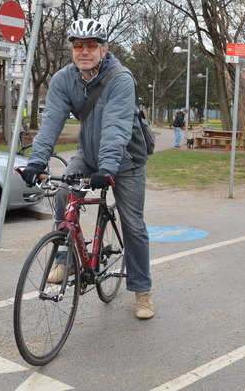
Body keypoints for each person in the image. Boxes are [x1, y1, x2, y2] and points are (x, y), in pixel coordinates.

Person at [20, 18, 154, 320]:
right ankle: (66, 257)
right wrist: (36, 162)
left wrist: (107, 168)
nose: (84, 51)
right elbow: (52, 121)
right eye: (78, 45)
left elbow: (116, 126)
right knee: (63, 194)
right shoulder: (63, 80)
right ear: (72, 49)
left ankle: (142, 290)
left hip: (126, 161)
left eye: (91, 45)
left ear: (103, 49)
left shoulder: (120, 78)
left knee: (133, 224)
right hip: (89, 155)